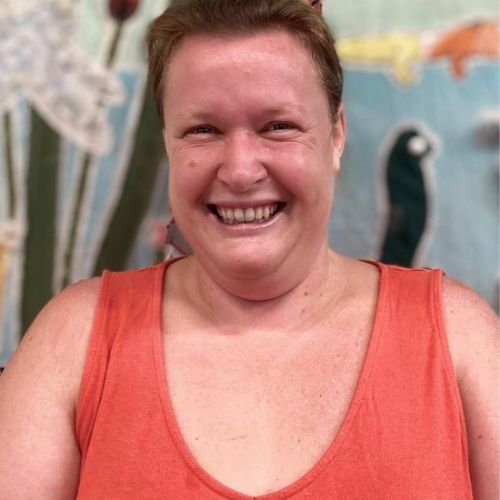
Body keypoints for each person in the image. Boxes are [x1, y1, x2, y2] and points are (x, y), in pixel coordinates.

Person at [0, 0, 498, 498]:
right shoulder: (74, 340)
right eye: (203, 130)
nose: (239, 171)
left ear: (336, 135)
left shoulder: (459, 340)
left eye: (278, 126)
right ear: (169, 142)